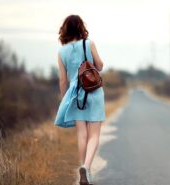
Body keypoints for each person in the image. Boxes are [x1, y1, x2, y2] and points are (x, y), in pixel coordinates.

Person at [54, 14, 106, 185]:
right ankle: (86, 167)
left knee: (82, 135)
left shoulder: (61, 52)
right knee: (94, 135)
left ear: (65, 30)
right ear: (81, 27)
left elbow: (63, 80)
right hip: (94, 91)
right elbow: (99, 65)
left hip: (76, 94)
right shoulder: (89, 43)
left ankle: (84, 171)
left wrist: (64, 99)